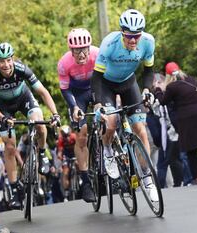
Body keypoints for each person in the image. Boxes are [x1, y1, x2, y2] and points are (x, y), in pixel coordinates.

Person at [0, 42, 60, 209]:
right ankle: (14, 190)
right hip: (3, 107)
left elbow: (43, 92)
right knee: (9, 147)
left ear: (13, 59)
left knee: (40, 124)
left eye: (8, 60)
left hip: (23, 98)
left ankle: (41, 153)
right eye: (1, 61)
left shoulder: (22, 69)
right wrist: (3, 118)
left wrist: (55, 114)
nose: (6, 65)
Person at [90, 9, 155, 187]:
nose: (133, 40)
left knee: (140, 129)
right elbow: (96, 76)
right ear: (121, 33)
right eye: (128, 36)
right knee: (110, 123)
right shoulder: (109, 44)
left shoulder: (148, 42)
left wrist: (147, 89)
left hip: (128, 83)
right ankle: (108, 150)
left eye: (137, 36)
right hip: (106, 85)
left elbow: (149, 70)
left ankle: (147, 176)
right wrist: (97, 104)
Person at [154, 62, 197, 184]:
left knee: (191, 149)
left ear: (167, 75)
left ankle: (196, 178)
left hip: (186, 119)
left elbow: (162, 102)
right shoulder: (190, 79)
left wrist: (158, 90)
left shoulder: (172, 87)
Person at [57, 28, 97, 202]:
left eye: (84, 49)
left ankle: (111, 155)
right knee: (81, 135)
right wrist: (74, 107)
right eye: (77, 50)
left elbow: (108, 79)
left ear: (89, 47)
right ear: (71, 50)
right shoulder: (64, 63)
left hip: (96, 89)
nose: (81, 54)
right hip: (77, 96)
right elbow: (65, 90)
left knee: (111, 118)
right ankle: (87, 183)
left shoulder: (98, 54)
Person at [57, 125, 76, 201]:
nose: (67, 138)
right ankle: (66, 191)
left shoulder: (74, 137)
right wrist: (60, 157)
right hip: (66, 155)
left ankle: (80, 176)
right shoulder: (61, 140)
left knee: (78, 164)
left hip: (75, 153)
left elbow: (79, 147)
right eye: (65, 136)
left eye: (68, 135)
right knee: (65, 173)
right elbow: (60, 151)